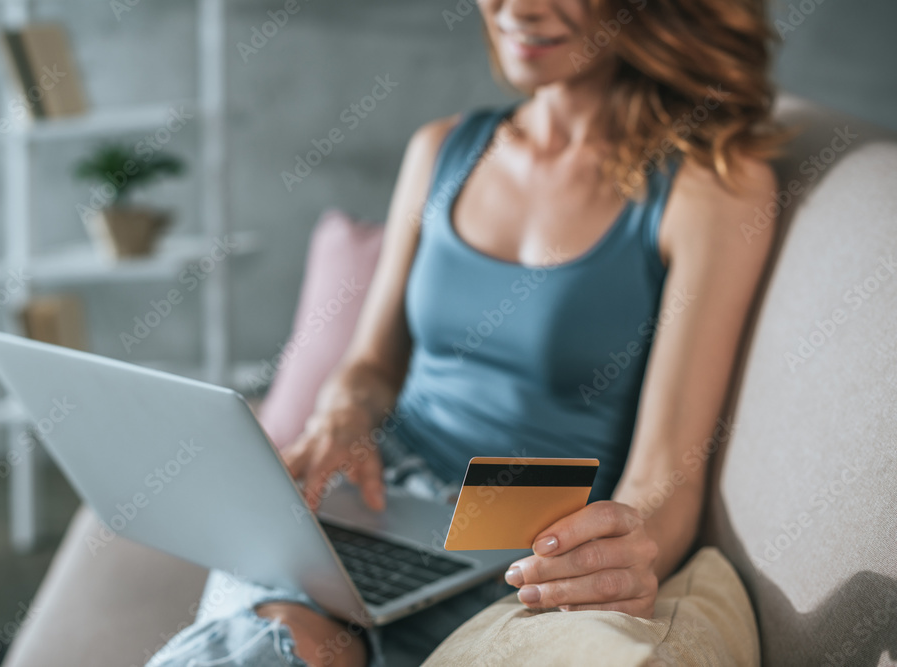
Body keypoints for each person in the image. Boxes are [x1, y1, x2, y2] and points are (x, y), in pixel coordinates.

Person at [149, 0, 784, 664]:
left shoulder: (712, 187)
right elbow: (372, 364)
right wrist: (343, 412)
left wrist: (624, 547)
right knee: (257, 646)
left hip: (518, 550)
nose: (517, 8)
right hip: (374, 505)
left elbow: (668, 471)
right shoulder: (443, 149)